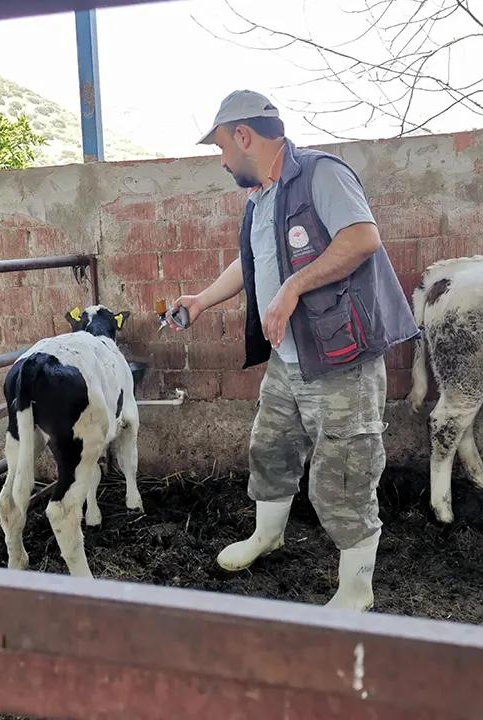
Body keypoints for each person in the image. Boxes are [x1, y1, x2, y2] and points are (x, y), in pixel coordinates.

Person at [172, 90, 418, 611]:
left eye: (221, 147)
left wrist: (292, 288)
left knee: (344, 472)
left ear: (244, 136)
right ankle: (269, 535)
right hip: (289, 360)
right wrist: (202, 300)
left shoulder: (320, 175)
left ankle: (357, 588)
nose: (221, 160)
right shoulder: (261, 197)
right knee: (272, 449)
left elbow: (361, 239)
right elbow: (253, 263)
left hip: (339, 358)